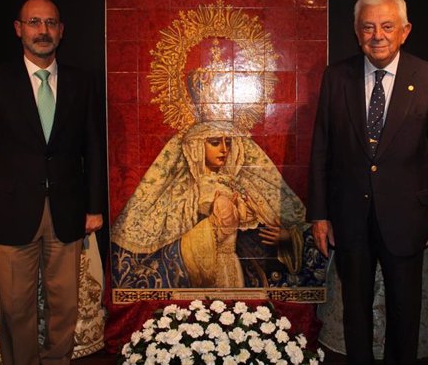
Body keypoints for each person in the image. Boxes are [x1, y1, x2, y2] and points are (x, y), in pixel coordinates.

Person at [309, 0, 428, 365]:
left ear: (405, 31)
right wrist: (319, 214)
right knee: (356, 308)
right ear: (357, 32)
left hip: (408, 216)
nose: (378, 35)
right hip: (350, 216)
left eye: (387, 26)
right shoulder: (336, 77)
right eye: (368, 27)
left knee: (405, 309)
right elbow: (321, 148)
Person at [0, 0, 104, 365]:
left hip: (68, 212)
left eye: (51, 23)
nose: (43, 31)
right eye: (35, 22)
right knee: (15, 307)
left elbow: (94, 146)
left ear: (61, 31)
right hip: (10, 211)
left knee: (65, 305)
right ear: (18, 29)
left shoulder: (82, 81)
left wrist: (94, 207)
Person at [111, 119, 310, 290]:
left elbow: (276, 236)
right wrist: (212, 229)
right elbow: (160, 255)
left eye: (229, 142)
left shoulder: (247, 186)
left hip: (245, 278)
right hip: (199, 282)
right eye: (215, 142)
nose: (224, 149)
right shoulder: (180, 193)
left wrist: (287, 240)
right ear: (196, 147)